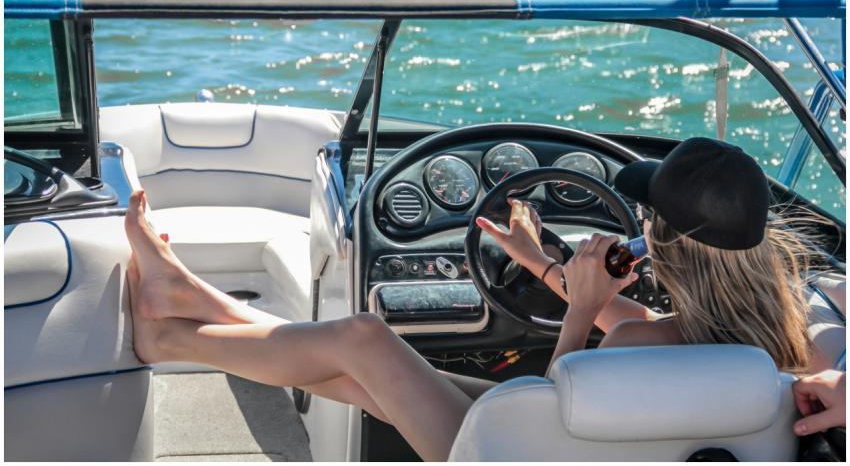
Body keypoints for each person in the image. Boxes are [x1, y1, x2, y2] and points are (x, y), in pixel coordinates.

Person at [125, 137, 826, 461]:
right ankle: (188, 296)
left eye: (646, 220)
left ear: (662, 243)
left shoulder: (637, 344)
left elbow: (557, 406)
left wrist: (580, 311)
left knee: (365, 340)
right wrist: (541, 261)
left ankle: (171, 335)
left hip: (522, 456)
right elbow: (637, 326)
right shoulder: (790, 339)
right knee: (374, 378)